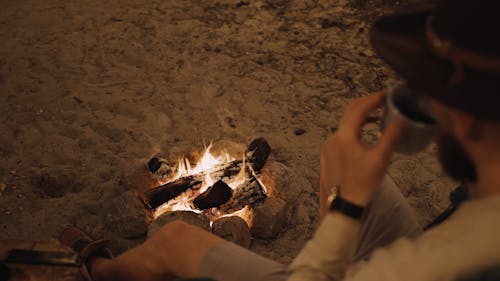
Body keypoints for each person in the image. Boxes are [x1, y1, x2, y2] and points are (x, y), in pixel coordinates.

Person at [60, 0, 500, 280]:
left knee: (176, 242)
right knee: (337, 154)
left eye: (430, 93)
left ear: (465, 120)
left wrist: (349, 209)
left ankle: (101, 274)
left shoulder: (448, 261)